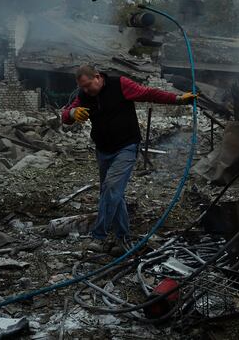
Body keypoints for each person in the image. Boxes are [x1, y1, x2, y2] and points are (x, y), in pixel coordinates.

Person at [62, 64, 196, 254]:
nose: (85, 90)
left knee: (111, 188)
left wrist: (178, 99)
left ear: (98, 77)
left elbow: (149, 93)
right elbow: (65, 116)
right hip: (103, 150)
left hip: (126, 147)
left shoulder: (120, 85)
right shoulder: (84, 96)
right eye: (82, 87)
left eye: (88, 85)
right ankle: (122, 238)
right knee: (114, 194)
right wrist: (72, 113)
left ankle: (99, 236)